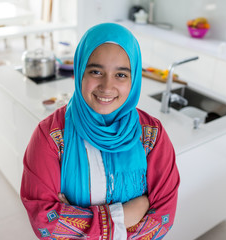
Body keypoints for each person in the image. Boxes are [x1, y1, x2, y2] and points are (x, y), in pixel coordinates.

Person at [20, 23, 180, 239]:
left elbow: (162, 218)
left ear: (134, 80)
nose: (106, 86)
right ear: (80, 72)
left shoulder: (152, 135)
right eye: (96, 71)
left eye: (121, 75)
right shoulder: (50, 136)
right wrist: (127, 213)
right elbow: (45, 222)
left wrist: (77, 221)